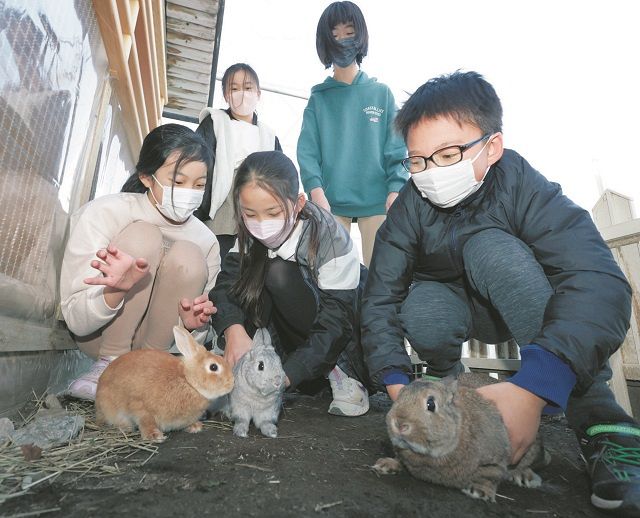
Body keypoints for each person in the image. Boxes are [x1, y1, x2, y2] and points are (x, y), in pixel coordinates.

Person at [361, 70, 639, 515]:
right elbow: (379, 297)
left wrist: (538, 383)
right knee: (422, 304)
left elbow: (597, 278)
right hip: (456, 312)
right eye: (417, 162)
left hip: (525, 312)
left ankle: (603, 421)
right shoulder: (409, 208)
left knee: (490, 248)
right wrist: (397, 383)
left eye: (448, 154)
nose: (431, 174)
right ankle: (455, 395)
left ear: (492, 146)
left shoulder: (524, 187)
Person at [61, 124, 220, 401]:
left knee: (188, 257)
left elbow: (200, 335)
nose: (189, 192)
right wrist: (114, 291)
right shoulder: (106, 212)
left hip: (160, 349)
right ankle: (110, 365)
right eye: (178, 181)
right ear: (146, 177)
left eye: (199, 184)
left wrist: (194, 328)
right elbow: (75, 318)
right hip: (98, 339)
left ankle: (149, 372)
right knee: (143, 235)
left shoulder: (206, 241)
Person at [209, 150, 370, 416]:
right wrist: (233, 330)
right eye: (250, 213)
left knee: (278, 274)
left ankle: (343, 372)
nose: (261, 224)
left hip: (339, 336)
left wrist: (284, 377)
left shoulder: (331, 239)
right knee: (256, 277)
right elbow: (226, 285)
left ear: (298, 203)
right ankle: (250, 359)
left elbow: (336, 321)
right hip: (290, 338)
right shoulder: (248, 234)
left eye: (272, 212)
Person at [296, 1, 407, 267]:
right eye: (334, 35)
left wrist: (395, 189)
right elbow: (307, 152)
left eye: (349, 32)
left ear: (361, 36)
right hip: (331, 204)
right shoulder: (318, 98)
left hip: (378, 202)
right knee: (332, 278)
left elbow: (396, 149)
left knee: (380, 278)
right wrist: (317, 194)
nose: (342, 40)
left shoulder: (381, 93)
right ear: (325, 42)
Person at [196, 63, 281, 262]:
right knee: (214, 261)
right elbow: (199, 160)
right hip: (221, 209)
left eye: (248, 87)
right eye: (234, 89)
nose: (242, 94)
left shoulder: (269, 135)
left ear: (258, 93)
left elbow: (280, 174)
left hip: (256, 212)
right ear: (226, 95)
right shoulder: (214, 122)